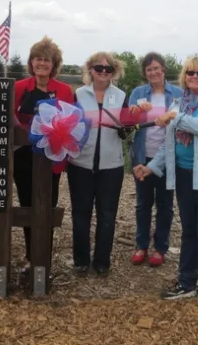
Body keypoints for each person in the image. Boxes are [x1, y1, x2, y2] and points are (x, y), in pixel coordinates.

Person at [134, 54, 198, 308]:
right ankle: (186, 282)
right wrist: (151, 167)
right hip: (185, 175)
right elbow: (171, 144)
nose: (195, 77)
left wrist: (172, 117)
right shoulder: (180, 102)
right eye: (190, 73)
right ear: (184, 76)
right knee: (189, 231)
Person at [13, 36, 74, 275]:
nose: (41, 63)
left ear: (54, 64)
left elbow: (70, 122)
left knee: (47, 206)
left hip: (51, 157)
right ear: (31, 62)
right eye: (37, 58)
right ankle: (30, 256)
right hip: (23, 156)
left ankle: (43, 258)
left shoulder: (64, 90)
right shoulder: (18, 88)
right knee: (28, 205)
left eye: (46, 60)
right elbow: (9, 120)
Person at [66, 51, 128, 277]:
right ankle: (81, 260)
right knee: (81, 213)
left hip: (111, 165)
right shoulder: (79, 94)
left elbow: (126, 130)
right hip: (80, 163)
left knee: (107, 215)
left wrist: (125, 128)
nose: (103, 72)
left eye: (108, 69)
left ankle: (102, 261)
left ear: (114, 72)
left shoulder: (121, 96)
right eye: (98, 68)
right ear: (90, 70)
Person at [127, 52, 182, 267]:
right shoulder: (138, 93)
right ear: (145, 73)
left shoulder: (177, 93)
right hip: (143, 155)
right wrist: (134, 112)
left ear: (163, 70)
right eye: (149, 69)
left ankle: (160, 248)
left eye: (156, 68)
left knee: (165, 205)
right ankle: (141, 246)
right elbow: (129, 121)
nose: (153, 72)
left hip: (168, 156)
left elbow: (182, 120)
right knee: (143, 204)